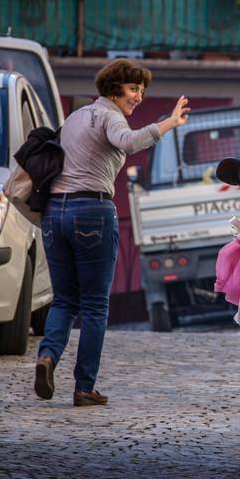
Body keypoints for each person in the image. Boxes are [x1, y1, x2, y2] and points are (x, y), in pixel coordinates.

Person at [34, 59, 190, 407]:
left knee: (63, 299)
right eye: (134, 89)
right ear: (115, 87)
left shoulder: (75, 118)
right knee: (93, 304)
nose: (138, 96)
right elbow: (129, 142)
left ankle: (47, 357)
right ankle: (84, 386)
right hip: (91, 212)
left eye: (142, 90)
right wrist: (169, 123)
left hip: (54, 214)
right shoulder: (110, 116)